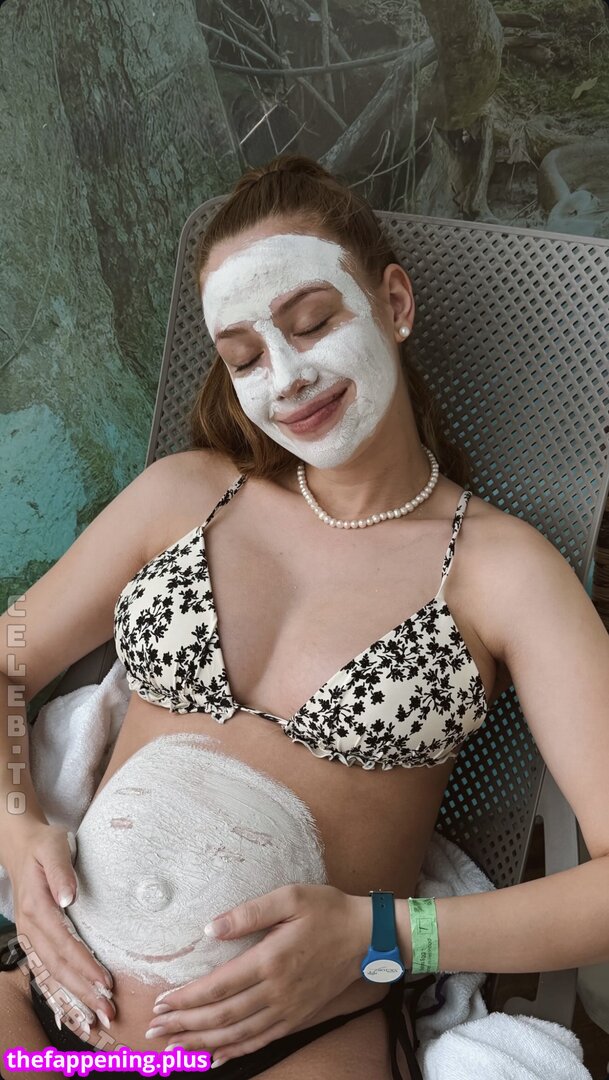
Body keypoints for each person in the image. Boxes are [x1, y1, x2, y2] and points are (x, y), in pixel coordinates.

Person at [1, 154, 608, 1080]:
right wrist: (19, 823)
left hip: (296, 1041)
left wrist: (387, 935)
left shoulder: (503, 573)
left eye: (313, 323)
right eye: (244, 357)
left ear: (393, 303)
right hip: (44, 1005)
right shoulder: (185, 495)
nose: (285, 378)